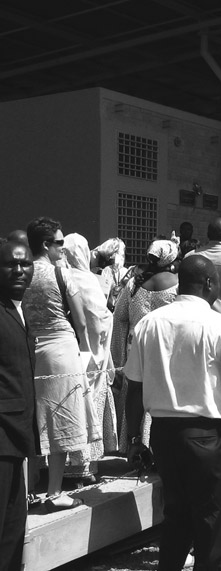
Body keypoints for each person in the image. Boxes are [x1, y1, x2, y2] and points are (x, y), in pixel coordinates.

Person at [124, 255, 221, 571]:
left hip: (164, 436)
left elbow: (134, 389)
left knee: (175, 517)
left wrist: (135, 439)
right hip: (206, 438)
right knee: (211, 521)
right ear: (209, 283)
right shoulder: (220, 325)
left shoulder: (148, 324)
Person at [21, 217, 97, 510]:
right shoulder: (61, 273)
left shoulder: (21, 273)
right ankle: (54, 492)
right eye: (59, 242)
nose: (63, 248)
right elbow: (81, 320)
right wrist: (86, 350)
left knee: (32, 420)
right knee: (60, 419)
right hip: (61, 348)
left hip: (29, 349)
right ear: (45, 245)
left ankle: (28, 490)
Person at [110, 240, 179, 452]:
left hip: (135, 347)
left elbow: (119, 317)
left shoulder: (134, 283)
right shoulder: (177, 284)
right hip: (166, 348)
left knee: (135, 393)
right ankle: (154, 445)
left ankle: (133, 442)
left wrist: (119, 355)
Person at [61, 233, 117, 484]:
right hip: (89, 354)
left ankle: (57, 469)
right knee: (87, 406)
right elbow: (99, 319)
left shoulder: (61, 276)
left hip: (66, 351)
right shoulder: (88, 280)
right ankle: (82, 468)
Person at [0, 240, 38, 571]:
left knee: (13, 529)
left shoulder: (20, 310)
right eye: (10, 264)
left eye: (25, 264)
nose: (19, 270)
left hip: (16, 439)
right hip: (2, 437)